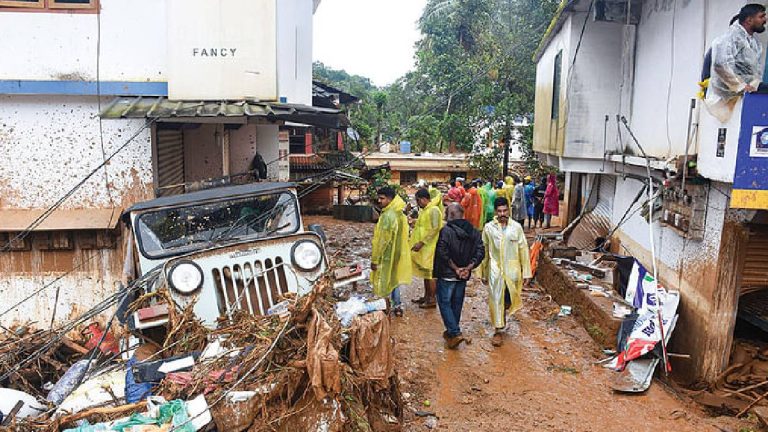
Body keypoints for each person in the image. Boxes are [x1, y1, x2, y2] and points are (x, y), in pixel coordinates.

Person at [481, 197, 531, 347]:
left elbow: (523, 249)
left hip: (512, 270)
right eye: (499, 211)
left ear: (508, 210)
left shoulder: (516, 228)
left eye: (505, 210)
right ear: (495, 212)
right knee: (496, 299)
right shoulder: (489, 228)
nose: (502, 214)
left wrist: (526, 272)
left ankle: (503, 317)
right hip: (495, 271)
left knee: (509, 300)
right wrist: (483, 273)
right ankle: (498, 329)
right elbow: (484, 251)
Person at [433, 204, 484, 349]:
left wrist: (456, 269)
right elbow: (480, 251)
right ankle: (451, 334)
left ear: (451, 215)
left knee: (444, 303)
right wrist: (468, 268)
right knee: (456, 303)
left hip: (448, 273)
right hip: (463, 275)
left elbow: (442, 252)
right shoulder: (473, 231)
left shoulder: (446, 231)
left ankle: (454, 332)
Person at [705, 4, 767, 122]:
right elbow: (721, 65)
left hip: (744, 97)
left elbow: (752, 73)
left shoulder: (754, 43)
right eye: (761, 16)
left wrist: (754, 86)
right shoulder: (729, 38)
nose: (765, 19)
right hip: (725, 100)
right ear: (749, 20)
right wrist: (741, 86)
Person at [371, 186, 412, 317]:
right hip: (398, 252)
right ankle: (397, 305)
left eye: (382, 198)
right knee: (393, 279)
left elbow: (383, 240)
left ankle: (383, 307)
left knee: (383, 281)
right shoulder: (399, 212)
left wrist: (375, 259)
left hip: (387, 255)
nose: (379, 201)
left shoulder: (388, 215)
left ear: (390, 199)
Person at [410, 188, 444, 309]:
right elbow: (423, 225)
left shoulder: (434, 210)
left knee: (430, 274)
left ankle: (432, 299)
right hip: (424, 247)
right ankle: (426, 296)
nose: (418, 203)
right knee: (425, 273)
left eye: (418, 200)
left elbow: (435, 228)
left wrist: (422, 242)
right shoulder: (425, 210)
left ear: (424, 199)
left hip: (430, 246)